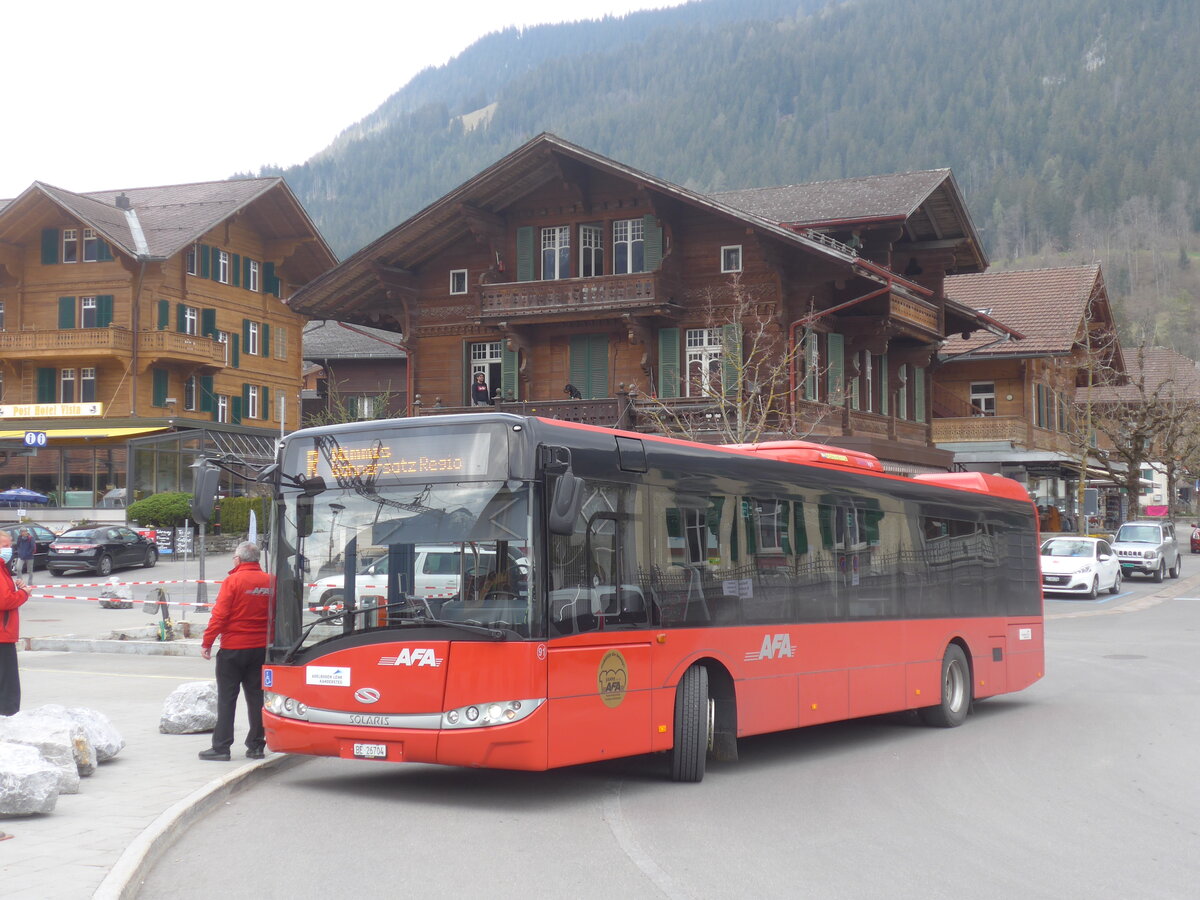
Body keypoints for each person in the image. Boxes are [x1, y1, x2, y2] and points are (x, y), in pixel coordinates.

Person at [199, 541, 271, 761]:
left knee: (227, 699)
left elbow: (220, 615)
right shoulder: (271, 581)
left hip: (233, 648)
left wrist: (207, 642)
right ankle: (256, 746)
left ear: (238, 560)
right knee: (257, 698)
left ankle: (222, 747)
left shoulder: (233, 581)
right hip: (261, 649)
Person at [0, 531, 31, 717]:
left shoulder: (3, 569)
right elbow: (4, 601)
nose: (8, 550)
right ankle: (8, 717)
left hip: (4, 633)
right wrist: (24, 593)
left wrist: (16, 589)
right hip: (2, 634)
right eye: (4, 546)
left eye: (9, 546)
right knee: (8, 683)